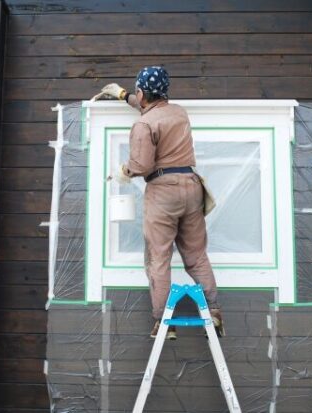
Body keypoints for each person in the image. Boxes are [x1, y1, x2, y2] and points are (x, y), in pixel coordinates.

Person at [97, 66, 224, 339]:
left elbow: (141, 164)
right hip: (191, 187)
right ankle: (213, 311)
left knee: (159, 258)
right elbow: (153, 108)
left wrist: (124, 172)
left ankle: (163, 323)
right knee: (196, 255)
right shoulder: (179, 113)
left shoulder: (144, 124)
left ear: (142, 93)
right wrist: (122, 95)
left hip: (163, 192)